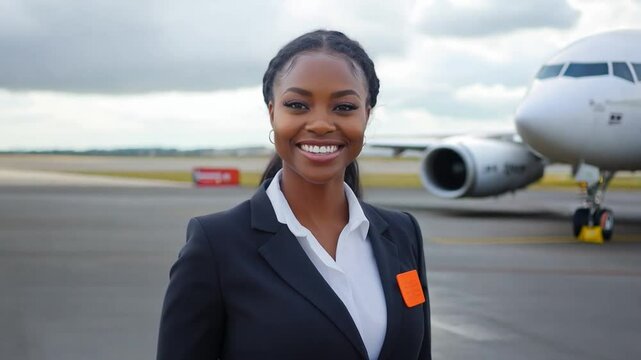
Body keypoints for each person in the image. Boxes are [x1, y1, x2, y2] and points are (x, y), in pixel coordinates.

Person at [157, 29, 431, 360]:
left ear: (367, 115)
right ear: (272, 113)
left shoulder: (402, 233)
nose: (320, 123)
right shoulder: (216, 246)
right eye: (297, 105)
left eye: (344, 107)